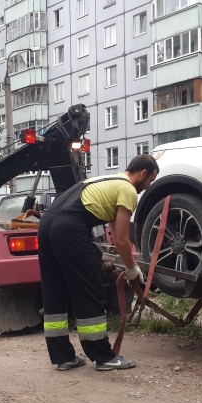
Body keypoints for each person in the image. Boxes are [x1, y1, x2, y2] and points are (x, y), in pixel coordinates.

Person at [38, 154, 159, 371]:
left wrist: (127, 259)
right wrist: (132, 269)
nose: (148, 187)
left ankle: (63, 356)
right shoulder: (128, 190)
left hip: (46, 224)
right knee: (88, 289)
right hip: (70, 227)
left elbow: (115, 232)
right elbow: (122, 239)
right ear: (142, 173)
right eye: (150, 180)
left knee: (54, 289)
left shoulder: (109, 180)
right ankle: (104, 357)